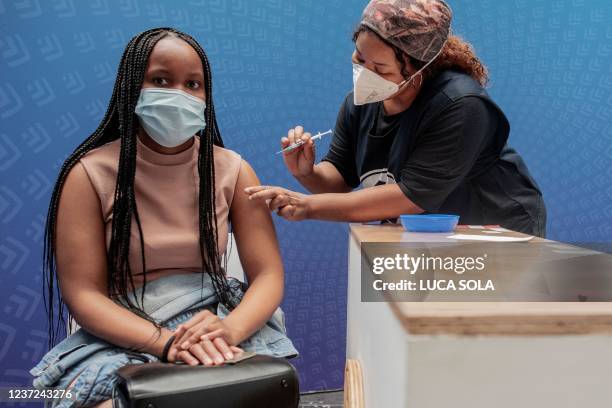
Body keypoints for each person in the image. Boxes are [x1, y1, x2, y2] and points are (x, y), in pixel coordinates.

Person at [30, 27, 297, 408]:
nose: (179, 94)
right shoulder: (88, 174)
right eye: (160, 80)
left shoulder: (233, 170)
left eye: (193, 84)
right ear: (131, 88)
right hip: (127, 328)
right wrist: (165, 343)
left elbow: (269, 275)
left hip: (215, 322)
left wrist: (227, 330)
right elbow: (83, 294)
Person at [245, 0, 546, 237]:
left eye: (381, 68)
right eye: (360, 58)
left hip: (494, 230)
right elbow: (339, 179)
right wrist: (307, 173)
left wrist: (306, 206)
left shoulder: (460, 105)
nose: (366, 73)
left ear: (419, 68)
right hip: (430, 235)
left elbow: (408, 198)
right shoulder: (361, 104)